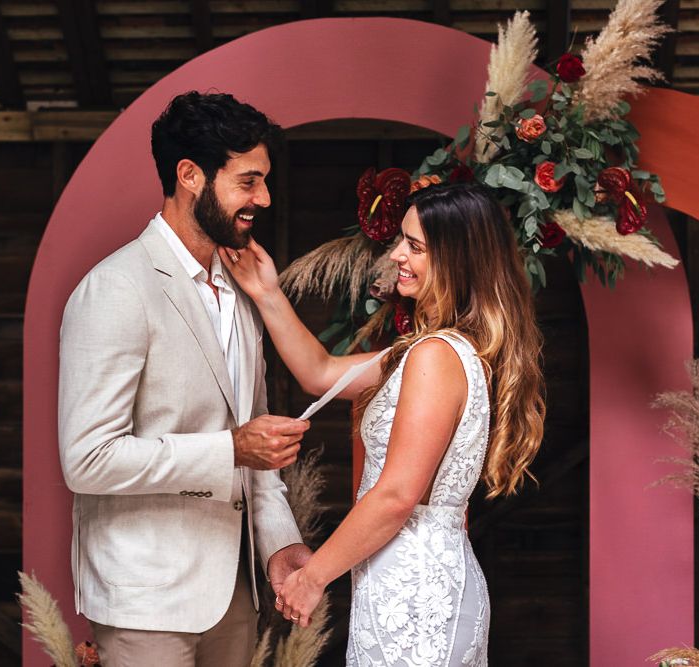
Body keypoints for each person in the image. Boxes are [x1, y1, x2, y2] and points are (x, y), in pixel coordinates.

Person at [219, 181, 545, 665]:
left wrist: (311, 579)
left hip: (414, 595)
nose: (395, 256)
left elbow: (396, 495)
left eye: (414, 246)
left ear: (456, 258)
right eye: (400, 241)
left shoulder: (435, 357)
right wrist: (267, 292)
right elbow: (322, 373)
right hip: (410, 581)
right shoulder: (433, 349)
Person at [58, 91, 312, 667]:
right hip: (145, 602)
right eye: (248, 181)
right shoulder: (116, 288)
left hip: (235, 598)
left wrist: (280, 545)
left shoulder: (243, 291)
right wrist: (230, 449)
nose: (264, 199)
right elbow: (87, 458)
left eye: (264, 181)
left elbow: (259, 452)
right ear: (190, 175)